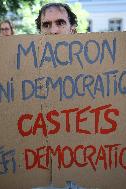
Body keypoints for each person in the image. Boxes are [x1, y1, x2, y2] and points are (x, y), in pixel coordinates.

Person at [35, 3, 80, 189]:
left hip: (86, 166)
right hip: (43, 169)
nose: (53, 30)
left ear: (72, 30)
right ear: (40, 32)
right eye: (46, 25)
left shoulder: (101, 71)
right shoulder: (22, 73)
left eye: (60, 22)